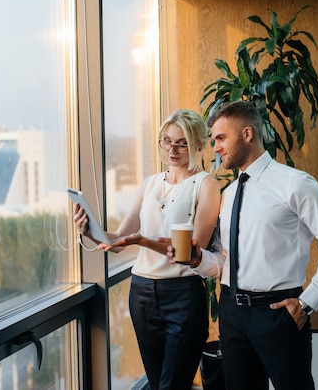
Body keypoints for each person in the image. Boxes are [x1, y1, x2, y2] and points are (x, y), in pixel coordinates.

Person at [171, 100, 318, 390]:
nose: (215, 148)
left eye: (220, 138)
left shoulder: (295, 184)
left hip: (279, 313)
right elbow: (222, 262)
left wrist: (307, 303)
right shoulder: (228, 194)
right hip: (231, 312)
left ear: (247, 134)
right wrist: (197, 260)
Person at [74, 109, 221, 390]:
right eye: (166, 140)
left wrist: (142, 241)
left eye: (182, 142)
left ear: (199, 144)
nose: (172, 149)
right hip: (141, 294)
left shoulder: (207, 184)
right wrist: (89, 231)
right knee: (158, 384)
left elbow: (193, 251)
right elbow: (118, 240)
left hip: (183, 296)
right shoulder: (150, 183)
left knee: (172, 385)